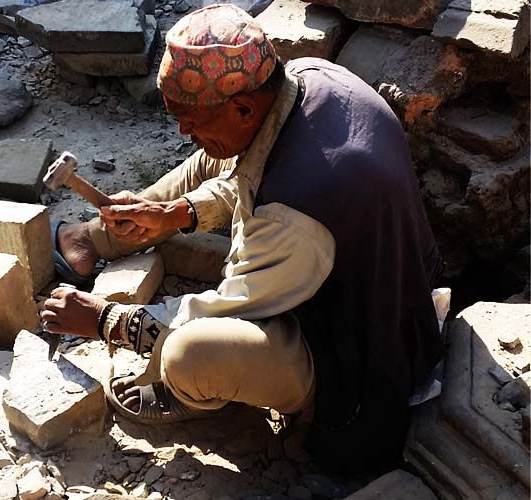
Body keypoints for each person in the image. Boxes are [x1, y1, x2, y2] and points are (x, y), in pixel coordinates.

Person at [41, 4, 444, 470]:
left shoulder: (294, 215)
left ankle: (199, 395)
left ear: (243, 106)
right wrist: (176, 213)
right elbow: (246, 173)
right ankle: (95, 239)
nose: (183, 131)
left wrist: (107, 319)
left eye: (191, 120)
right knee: (215, 157)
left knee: (189, 354)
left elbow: (219, 308)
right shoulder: (307, 78)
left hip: (352, 349)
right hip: (350, 261)